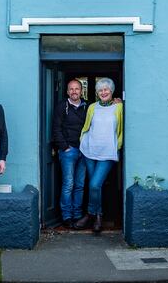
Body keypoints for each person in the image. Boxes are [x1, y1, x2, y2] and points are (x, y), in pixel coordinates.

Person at [73, 78, 123, 234]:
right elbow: (87, 126)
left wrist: (118, 146)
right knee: (95, 186)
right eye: (100, 90)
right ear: (97, 92)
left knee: (94, 184)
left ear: (112, 91)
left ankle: (91, 214)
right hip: (90, 151)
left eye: (106, 89)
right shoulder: (92, 107)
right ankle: (98, 218)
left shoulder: (119, 107)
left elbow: (121, 128)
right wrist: (83, 140)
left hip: (108, 152)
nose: (103, 92)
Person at [52, 79, 88, 228]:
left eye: (77, 89)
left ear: (81, 91)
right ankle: (67, 216)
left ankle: (77, 215)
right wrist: (64, 147)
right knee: (68, 184)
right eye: (71, 89)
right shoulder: (62, 107)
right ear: (67, 92)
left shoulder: (88, 107)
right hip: (69, 151)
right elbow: (56, 128)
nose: (74, 91)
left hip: (85, 151)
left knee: (79, 185)